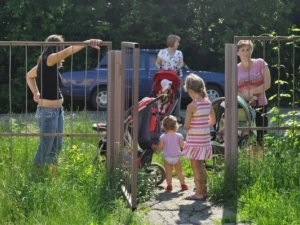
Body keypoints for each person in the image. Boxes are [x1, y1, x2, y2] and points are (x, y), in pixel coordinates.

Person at [26, 34, 102, 176]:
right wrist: (86, 42)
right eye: (60, 46)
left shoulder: (46, 64)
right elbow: (67, 52)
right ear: (56, 47)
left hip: (58, 111)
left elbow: (29, 76)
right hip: (47, 111)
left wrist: (36, 93)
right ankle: (35, 176)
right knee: (45, 147)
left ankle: (53, 175)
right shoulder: (48, 59)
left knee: (57, 146)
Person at [182, 74, 216, 201]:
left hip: (194, 141)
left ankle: (199, 194)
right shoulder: (208, 103)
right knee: (201, 166)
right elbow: (213, 121)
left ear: (190, 91)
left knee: (195, 167)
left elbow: (186, 126)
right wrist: (202, 125)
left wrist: (186, 124)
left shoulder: (191, 106)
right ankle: (204, 190)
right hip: (205, 140)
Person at [236, 40, 271, 145]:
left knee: (261, 137)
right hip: (242, 107)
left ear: (251, 50)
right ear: (238, 52)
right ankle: (247, 159)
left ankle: (260, 161)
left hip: (260, 104)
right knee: (244, 137)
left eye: (248, 49)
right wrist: (244, 97)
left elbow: (267, 84)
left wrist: (252, 92)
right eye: (242, 50)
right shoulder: (235, 68)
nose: (245, 52)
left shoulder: (260, 63)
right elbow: (232, 88)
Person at [155, 34, 184, 121]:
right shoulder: (162, 52)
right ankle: (162, 111)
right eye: (177, 42)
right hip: (164, 75)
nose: (178, 44)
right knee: (164, 93)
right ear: (172, 42)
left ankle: (176, 115)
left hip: (176, 76)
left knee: (176, 95)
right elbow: (157, 63)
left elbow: (181, 63)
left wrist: (178, 67)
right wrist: (160, 68)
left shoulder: (179, 53)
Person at [157, 115, 188, 192]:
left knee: (168, 173)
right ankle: (183, 185)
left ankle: (169, 186)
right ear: (176, 125)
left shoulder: (163, 137)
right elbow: (182, 145)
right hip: (176, 157)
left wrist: (156, 149)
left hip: (167, 157)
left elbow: (160, 147)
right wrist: (186, 144)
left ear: (164, 126)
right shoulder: (179, 136)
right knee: (179, 172)